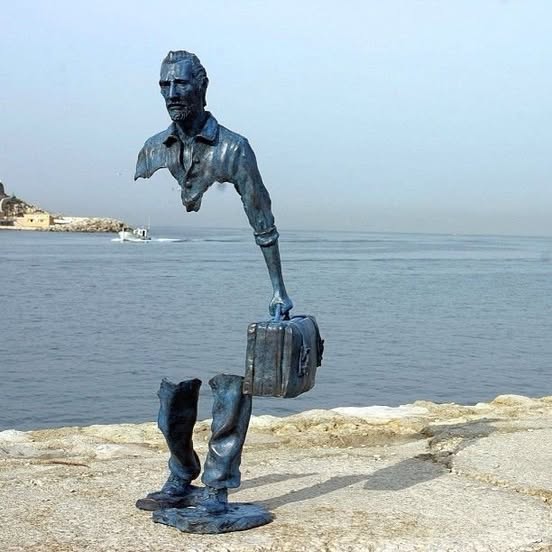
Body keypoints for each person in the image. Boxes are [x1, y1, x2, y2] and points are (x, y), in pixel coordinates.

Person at [134, 50, 293, 515]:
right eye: (164, 86)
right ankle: (180, 474)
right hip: (169, 293)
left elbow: (262, 218)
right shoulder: (152, 149)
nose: (171, 94)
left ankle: (218, 487)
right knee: (173, 397)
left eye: (179, 85)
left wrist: (278, 288)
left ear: (202, 86)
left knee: (231, 389)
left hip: (229, 284)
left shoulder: (234, 148)